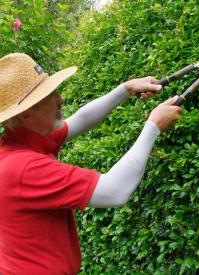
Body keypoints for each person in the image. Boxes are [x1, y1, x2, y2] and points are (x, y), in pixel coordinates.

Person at [0, 53, 182, 274]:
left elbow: (79, 120)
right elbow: (115, 191)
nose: (60, 99)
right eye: (50, 96)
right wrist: (153, 126)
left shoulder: (21, 141)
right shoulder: (23, 168)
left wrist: (125, 89)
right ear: (27, 113)